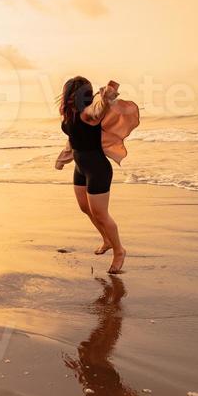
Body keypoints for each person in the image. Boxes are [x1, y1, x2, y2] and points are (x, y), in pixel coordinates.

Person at [56, 77, 139, 275]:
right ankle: (106, 240)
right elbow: (73, 139)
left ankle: (119, 250)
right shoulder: (70, 115)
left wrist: (106, 96)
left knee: (101, 214)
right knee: (85, 208)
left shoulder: (88, 112)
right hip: (80, 167)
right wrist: (63, 158)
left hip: (97, 168)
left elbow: (99, 109)